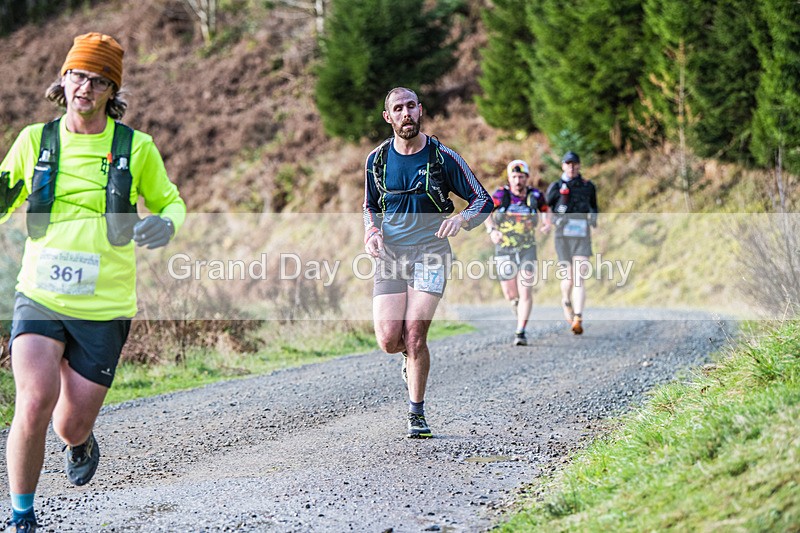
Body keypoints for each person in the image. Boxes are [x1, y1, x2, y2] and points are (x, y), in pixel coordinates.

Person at [0, 33, 186, 532]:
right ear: (63, 79)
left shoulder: (135, 148)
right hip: (39, 293)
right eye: (78, 75)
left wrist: (165, 224)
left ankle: (79, 439)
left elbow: (171, 203)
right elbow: (3, 199)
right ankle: (21, 516)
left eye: (97, 79)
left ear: (111, 89)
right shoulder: (33, 141)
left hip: (104, 305)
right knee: (34, 401)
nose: (85, 86)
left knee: (68, 422)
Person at [363, 87, 492, 438]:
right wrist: (371, 232)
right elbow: (370, 206)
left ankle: (416, 413)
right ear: (388, 117)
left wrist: (462, 219)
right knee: (391, 340)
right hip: (391, 254)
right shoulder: (376, 160)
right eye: (398, 109)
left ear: (420, 111)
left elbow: (482, 198)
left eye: (411, 107)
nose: (406, 114)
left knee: (415, 334)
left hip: (431, 252)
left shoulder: (442, 157)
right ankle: (409, 361)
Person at [484, 159, 551, 346]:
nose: (517, 180)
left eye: (521, 176)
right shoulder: (501, 195)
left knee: (526, 289)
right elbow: (485, 211)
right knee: (510, 293)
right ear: (509, 177)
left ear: (527, 177)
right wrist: (492, 230)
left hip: (527, 248)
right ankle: (515, 304)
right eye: (514, 176)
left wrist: (547, 223)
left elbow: (546, 209)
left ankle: (520, 331)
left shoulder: (535, 195)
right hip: (504, 248)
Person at [545, 151, 598, 335]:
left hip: (582, 235)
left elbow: (594, 206)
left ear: (579, 165)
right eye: (568, 164)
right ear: (563, 166)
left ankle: (578, 317)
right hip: (562, 237)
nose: (572, 167)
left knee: (580, 276)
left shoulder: (588, 186)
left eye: (575, 163)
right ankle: (566, 300)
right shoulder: (556, 186)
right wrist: (549, 222)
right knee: (568, 278)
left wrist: (593, 219)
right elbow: (546, 207)